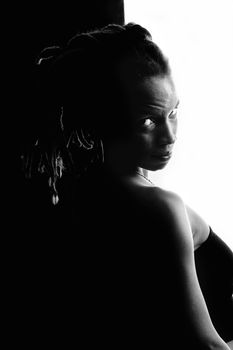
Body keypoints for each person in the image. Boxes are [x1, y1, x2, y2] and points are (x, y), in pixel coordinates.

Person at [21, 23, 233, 348]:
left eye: (173, 111)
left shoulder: (79, 196)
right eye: (148, 121)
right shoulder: (160, 208)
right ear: (105, 120)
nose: (170, 135)